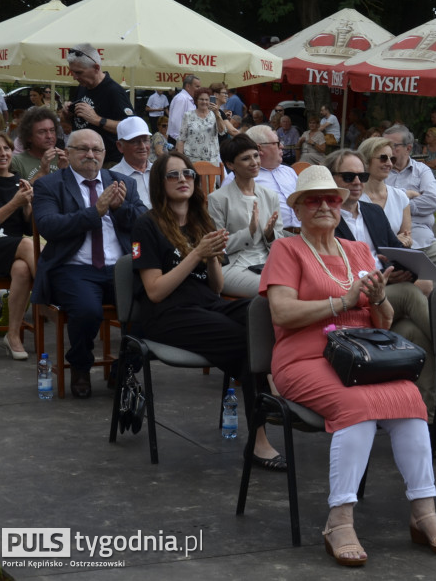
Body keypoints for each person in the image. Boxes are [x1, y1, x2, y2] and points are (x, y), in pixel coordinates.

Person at [261, 166, 436, 565]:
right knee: (357, 409)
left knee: (410, 398)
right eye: (313, 200)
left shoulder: (357, 251)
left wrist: (380, 298)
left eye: (331, 199)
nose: (324, 206)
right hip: (305, 356)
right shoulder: (287, 249)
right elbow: (280, 313)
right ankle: (340, 520)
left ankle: (424, 514)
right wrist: (344, 303)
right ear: (297, 209)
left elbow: (382, 323)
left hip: (362, 355)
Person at [132, 151, 283, 468]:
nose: (182, 179)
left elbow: (215, 287)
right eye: (173, 175)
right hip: (167, 314)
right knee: (245, 343)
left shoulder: (201, 220)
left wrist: (212, 255)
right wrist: (195, 253)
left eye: (187, 173)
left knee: (263, 315)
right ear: (160, 183)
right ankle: (260, 437)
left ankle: (274, 395)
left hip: (206, 304)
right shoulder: (146, 226)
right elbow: (155, 291)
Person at [32, 129, 147, 398]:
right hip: (74, 268)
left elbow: (144, 224)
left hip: (120, 268)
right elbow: (49, 226)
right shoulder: (49, 185)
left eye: (96, 150)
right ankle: (80, 366)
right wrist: (94, 213)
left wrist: (119, 209)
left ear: (105, 154)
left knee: (152, 305)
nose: (90, 155)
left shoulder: (122, 183)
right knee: (86, 311)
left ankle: (125, 368)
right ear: (68, 152)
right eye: (83, 149)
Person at [325, 149, 436, 417]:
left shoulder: (373, 212)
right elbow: (332, 272)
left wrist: (397, 270)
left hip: (384, 295)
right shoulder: (326, 216)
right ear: (332, 179)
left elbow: (394, 250)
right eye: (348, 176)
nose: (357, 182)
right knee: (411, 293)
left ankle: (427, 415)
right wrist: (382, 280)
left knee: (415, 331)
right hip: (354, 297)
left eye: (361, 175)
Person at [207, 135, 282, 297]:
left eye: (256, 156)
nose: (254, 162)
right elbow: (219, 250)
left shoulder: (270, 196)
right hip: (235, 266)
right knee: (277, 290)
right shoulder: (218, 199)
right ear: (230, 164)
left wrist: (270, 235)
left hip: (268, 263)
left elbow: (280, 244)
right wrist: (249, 232)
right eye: (246, 159)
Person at [0, 129, 36, 359]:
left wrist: (27, 208)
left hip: (13, 249)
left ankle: (13, 334)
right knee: (28, 246)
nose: (3, 153)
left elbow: (27, 229)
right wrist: (14, 203)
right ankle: (55, 293)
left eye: (6, 148)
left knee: (22, 269)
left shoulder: (18, 180)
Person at [63, 44, 135, 166]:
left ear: (96, 68)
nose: (74, 77)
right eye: (72, 72)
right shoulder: (82, 87)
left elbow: (131, 127)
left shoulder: (113, 91)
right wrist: (67, 113)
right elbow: (67, 126)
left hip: (106, 162)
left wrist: (97, 119)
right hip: (81, 159)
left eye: (79, 72)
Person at [383, 125, 436, 270]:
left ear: (408, 148)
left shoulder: (422, 170)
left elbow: (433, 201)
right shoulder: (380, 170)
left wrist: (399, 203)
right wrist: (406, 195)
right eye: (384, 145)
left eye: (393, 146)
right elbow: (375, 203)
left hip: (422, 241)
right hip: (389, 243)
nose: (387, 150)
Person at [222, 125, 301, 233]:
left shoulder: (288, 171)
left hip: (303, 234)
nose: (282, 146)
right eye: (277, 143)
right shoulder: (239, 177)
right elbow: (227, 220)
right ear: (259, 148)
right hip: (265, 238)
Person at [359, 137, 413, 247]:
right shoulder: (354, 198)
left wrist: (405, 241)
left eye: (392, 159)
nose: (389, 164)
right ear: (366, 161)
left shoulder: (400, 197)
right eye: (383, 158)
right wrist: (393, 240)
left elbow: (406, 239)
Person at [10, 107, 68, 183]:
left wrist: (65, 172)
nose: (49, 136)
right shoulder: (17, 162)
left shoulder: (62, 158)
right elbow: (18, 193)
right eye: (42, 132)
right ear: (29, 137)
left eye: (52, 130)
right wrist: (42, 173)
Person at [111, 117, 154, 209]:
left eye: (145, 140)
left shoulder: (161, 170)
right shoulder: (112, 178)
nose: (142, 146)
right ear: (120, 146)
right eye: (135, 142)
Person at [176, 88, 225, 166]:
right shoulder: (188, 115)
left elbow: (222, 131)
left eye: (206, 99)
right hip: (192, 159)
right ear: (196, 101)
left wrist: (217, 115)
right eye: (201, 99)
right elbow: (181, 139)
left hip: (211, 160)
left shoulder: (215, 114)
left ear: (210, 101)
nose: (204, 102)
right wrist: (179, 160)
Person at [164, 74, 203, 148]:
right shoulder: (181, 99)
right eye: (197, 86)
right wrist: (181, 141)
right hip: (180, 141)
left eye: (199, 87)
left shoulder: (188, 99)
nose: (199, 89)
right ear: (188, 86)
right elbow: (176, 121)